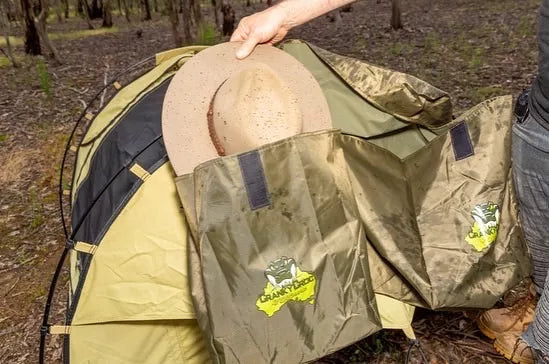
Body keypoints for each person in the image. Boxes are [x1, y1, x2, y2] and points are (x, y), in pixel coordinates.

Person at [231, 0, 549, 363]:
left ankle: (540, 344)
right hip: (539, 121)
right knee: (541, 239)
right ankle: (533, 312)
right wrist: (283, 14)